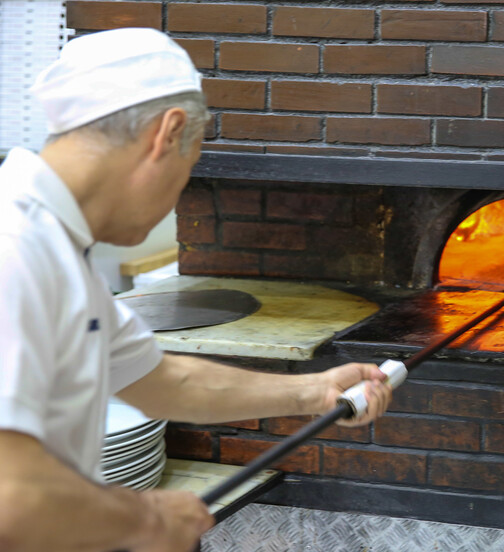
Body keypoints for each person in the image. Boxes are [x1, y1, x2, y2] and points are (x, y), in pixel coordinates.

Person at [0, 28, 392, 552]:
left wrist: (313, 392)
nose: (177, 193)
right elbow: (12, 496)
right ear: (168, 132)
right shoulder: (17, 250)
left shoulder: (53, 247)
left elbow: (159, 379)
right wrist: (143, 518)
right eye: (188, 169)